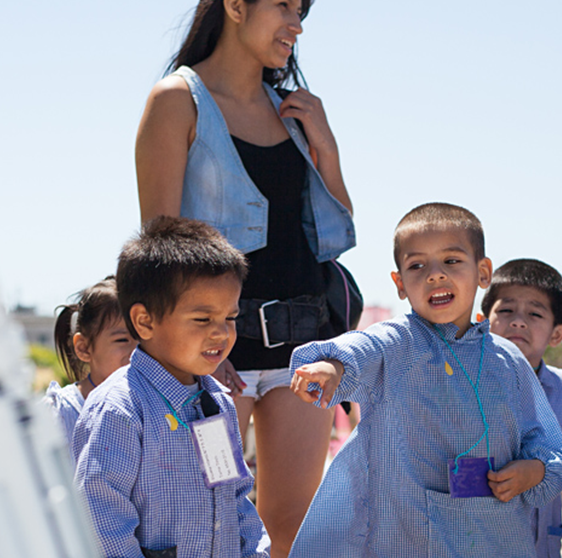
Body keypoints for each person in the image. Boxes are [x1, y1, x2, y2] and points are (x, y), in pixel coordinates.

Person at [134, 2, 355, 552]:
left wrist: (324, 143)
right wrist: (201, 349)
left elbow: (337, 231)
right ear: (235, 5)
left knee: (293, 531)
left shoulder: (297, 112)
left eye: (301, 10)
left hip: (301, 352)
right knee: (210, 522)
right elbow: (157, 249)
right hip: (214, 359)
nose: (296, 24)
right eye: (283, 4)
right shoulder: (176, 101)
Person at [286, 203, 562, 557]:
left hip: (494, 538)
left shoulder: (508, 361)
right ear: (400, 284)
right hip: (406, 537)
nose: (435, 275)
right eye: (417, 265)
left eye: (451, 261)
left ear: (483, 272)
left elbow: (547, 445)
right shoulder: (399, 343)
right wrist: (332, 367)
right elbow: (363, 346)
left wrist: (534, 470)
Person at [72, 217, 269, 557]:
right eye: (203, 319)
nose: (221, 333)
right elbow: (100, 517)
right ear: (144, 321)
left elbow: (234, 495)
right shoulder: (121, 408)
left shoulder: (216, 404)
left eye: (230, 318)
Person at [481, 258, 562, 557]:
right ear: (482, 321)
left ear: (557, 333)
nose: (518, 321)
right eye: (506, 310)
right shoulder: (458, 385)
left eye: (535, 313)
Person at [44, 277, 137, 442]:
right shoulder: (59, 413)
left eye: (146, 340)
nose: (137, 351)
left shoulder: (159, 408)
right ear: (83, 348)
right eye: (122, 340)